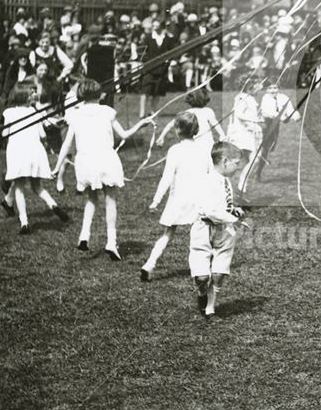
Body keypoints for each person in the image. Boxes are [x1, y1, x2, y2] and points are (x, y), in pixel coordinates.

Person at [53, 78, 151, 260]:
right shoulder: (107, 111)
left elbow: (66, 145)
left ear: (81, 95)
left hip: (85, 161)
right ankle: (111, 242)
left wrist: (57, 167)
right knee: (110, 199)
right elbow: (124, 135)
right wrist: (141, 123)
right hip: (106, 159)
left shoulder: (74, 115)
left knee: (91, 198)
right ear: (99, 95)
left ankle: (84, 234)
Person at [141, 111, 212, 282]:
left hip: (178, 199)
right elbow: (211, 176)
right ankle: (204, 268)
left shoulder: (175, 150)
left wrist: (156, 200)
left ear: (178, 130)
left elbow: (166, 177)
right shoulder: (204, 150)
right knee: (203, 235)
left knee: (167, 233)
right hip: (199, 199)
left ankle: (149, 264)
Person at [190, 142, 251, 319]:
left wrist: (234, 209)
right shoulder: (206, 181)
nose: (238, 167)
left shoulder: (225, 181)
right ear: (225, 161)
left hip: (224, 231)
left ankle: (210, 306)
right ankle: (202, 294)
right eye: (236, 163)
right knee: (201, 276)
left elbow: (224, 204)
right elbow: (211, 211)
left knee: (219, 272)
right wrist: (234, 220)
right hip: (204, 228)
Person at [0, 82, 70, 234]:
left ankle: (24, 222)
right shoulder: (34, 111)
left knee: (19, 187)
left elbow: (4, 134)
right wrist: (45, 143)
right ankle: (53, 205)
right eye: (32, 93)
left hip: (18, 151)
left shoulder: (9, 113)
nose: (35, 95)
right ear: (23, 95)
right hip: (34, 150)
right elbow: (43, 135)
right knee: (37, 186)